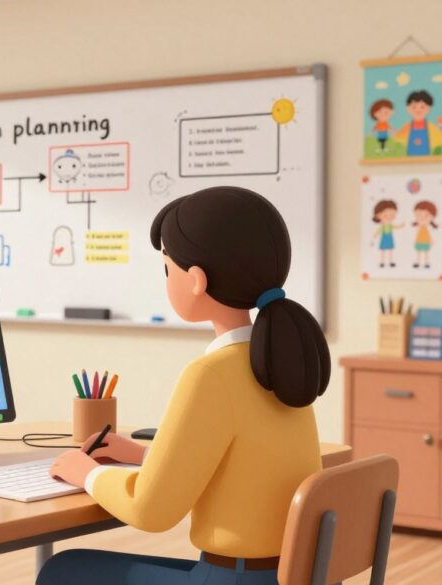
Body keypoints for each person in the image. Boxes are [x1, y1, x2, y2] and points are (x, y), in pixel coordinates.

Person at [39, 186, 329, 585]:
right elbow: (242, 466)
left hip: (232, 580)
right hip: (287, 574)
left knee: (63, 570)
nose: (166, 278)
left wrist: (85, 472)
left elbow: (151, 512)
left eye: (167, 268)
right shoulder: (284, 367)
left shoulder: (211, 374)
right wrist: (146, 456)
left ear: (195, 280)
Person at [371, 199, 403, 268]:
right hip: (384, 237)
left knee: (390, 250)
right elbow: (379, 231)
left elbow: (395, 227)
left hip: (389, 237)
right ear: (378, 216)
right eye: (386, 215)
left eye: (392, 216)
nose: (389, 218)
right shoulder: (383, 226)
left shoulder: (390, 225)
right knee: (383, 250)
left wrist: (401, 225)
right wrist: (375, 235)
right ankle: (382, 262)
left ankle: (390, 261)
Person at [412, 200, 438, 269]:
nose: (422, 218)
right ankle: (418, 262)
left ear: (432, 217)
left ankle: (426, 262)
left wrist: (431, 240)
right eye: (419, 215)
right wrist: (415, 241)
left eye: (426, 215)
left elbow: (429, 235)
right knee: (419, 252)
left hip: (426, 242)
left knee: (426, 252)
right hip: (419, 241)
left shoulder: (426, 229)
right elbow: (417, 235)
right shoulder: (419, 228)